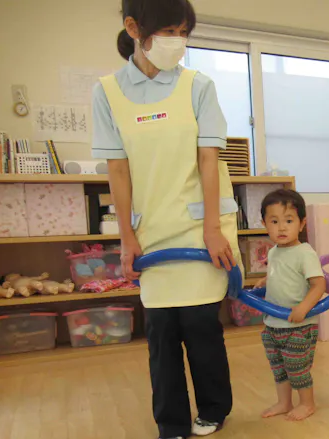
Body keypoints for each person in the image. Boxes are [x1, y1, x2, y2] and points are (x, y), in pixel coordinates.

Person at [92, 1, 238, 437]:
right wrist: (126, 237)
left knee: (200, 326)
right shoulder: (108, 92)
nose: (179, 40)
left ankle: (214, 409)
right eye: (169, 30)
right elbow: (117, 170)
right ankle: (171, 423)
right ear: (134, 28)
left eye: (184, 30)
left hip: (199, 227)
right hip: (150, 231)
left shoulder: (198, 86)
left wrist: (212, 229)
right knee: (160, 331)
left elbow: (209, 161)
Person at [254, 189, 327, 421]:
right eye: (274, 221)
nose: (282, 227)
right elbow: (282, 275)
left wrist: (304, 307)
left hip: (299, 325)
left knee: (297, 368)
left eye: (289, 220)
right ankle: (284, 402)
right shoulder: (274, 252)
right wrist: (265, 281)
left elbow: (318, 284)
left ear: (302, 223)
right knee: (279, 368)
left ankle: (307, 403)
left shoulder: (305, 253)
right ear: (264, 224)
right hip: (273, 324)